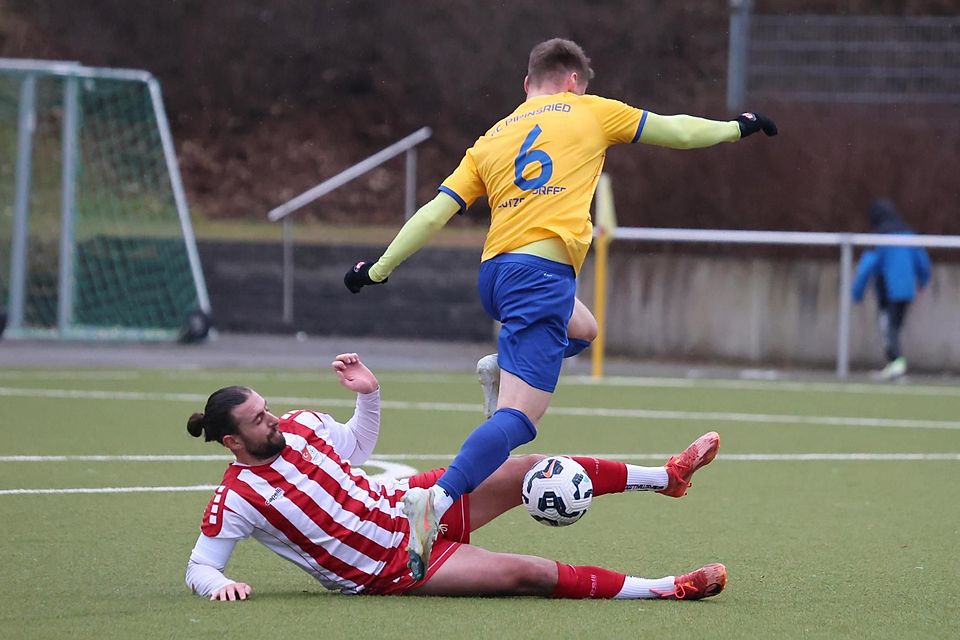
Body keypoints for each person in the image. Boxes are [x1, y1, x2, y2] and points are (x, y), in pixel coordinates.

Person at [342, 38, 775, 578]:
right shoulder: (591, 111)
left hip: (497, 276)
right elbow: (680, 131)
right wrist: (739, 126)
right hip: (540, 278)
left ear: (528, 84)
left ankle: (506, 368)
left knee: (585, 328)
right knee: (519, 422)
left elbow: (434, 213)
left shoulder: (491, 138)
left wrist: (377, 268)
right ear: (574, 81)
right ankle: (438, 499)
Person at [185, 353, 725, 601]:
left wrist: (368, 395)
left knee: (532, 470)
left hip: (412, 502)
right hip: (394, 564)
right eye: (258, 419)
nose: (273, 418)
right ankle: (666, 589)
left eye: (266, 407)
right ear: (233, 441)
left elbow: (357, 445)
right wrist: (220, 585)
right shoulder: (237, 498)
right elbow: (201, 566)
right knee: (529, 572)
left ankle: (667, 476)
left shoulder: (301, 424)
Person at [852, 198, 932, 380]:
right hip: (906, 290)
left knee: (889, 326)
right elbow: (923, 262)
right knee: (893, 326)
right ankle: (894, 363)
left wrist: (857, 292)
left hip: (889, 291)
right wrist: (922, 281)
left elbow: (867, 267)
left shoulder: (880, 238)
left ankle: (896, 363)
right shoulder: (909, 235)